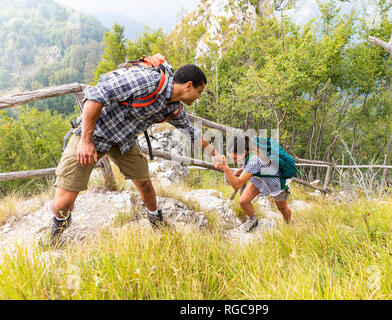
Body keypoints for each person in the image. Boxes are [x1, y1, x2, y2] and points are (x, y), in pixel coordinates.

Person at [42, 62, 219, 246]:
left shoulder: (173, 108)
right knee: (63, 203)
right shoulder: (146, 81)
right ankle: (59, 223)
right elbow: (95, 95)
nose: (198, 97)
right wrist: (86, 141)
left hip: (123, 142)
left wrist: (214, 154)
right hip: (94, 135)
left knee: (145, 184)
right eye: (199, 91)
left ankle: (155, 218)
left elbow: (192, 132)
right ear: (188, 85)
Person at [213, 135, 294, 232]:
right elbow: (246, 166)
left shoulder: (254, 159)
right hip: (259, 179)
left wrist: (225, 168)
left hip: (275, 183)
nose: (232, 160)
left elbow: (237, 185)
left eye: (234, 158)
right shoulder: (248, 151)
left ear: (243, 152)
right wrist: (237, 172)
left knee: (282, 208)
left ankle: (289, 224)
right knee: (244, 201)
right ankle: (252, 220)